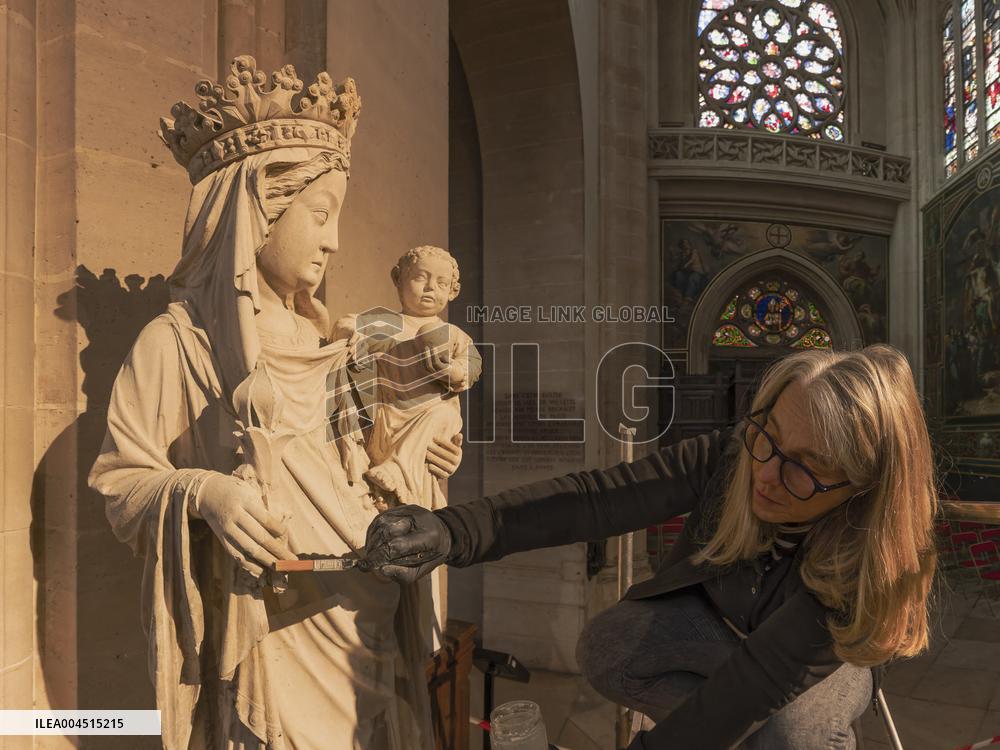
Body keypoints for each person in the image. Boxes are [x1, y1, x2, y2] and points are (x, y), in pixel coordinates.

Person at [88, 57, 460, 750]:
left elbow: (368, 466)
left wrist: (422, 456)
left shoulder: (338, 345)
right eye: (319, 215)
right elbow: (120, 483)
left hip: (363, 609)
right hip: (272, 630)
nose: (334, 240)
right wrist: (204, 494)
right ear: (254, 212)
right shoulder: (178, 347)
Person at [363, 344, 939, 749]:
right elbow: (599, 500)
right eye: (769, 435)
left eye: (805, 469)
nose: (765, 473)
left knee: (792, 730)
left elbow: (761, 679)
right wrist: (455, 530)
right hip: (722, 627)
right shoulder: (740, 453)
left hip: (815, 662)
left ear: (862, 488)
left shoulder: (869, 564)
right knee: (611, 649)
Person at [332, 245, 482, 511]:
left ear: (452, 291)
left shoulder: (453, 334)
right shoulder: (385, 323)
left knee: (444, 415)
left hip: (434, 427)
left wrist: (452, 371)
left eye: (441, 282)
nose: (430, 288)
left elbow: (471, 367)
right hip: (389, 421)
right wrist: (353, 333)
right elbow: (345, 325)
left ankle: (398, 472)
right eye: (420, 278)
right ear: (397, 279)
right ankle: (395, 477)